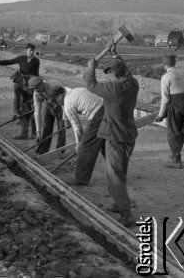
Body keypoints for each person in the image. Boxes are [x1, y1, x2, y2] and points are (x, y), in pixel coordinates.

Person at [84, 40, 139, 227]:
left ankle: (126, 214)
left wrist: (91, 68)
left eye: (109, 75)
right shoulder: (132, 84)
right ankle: (118, 203)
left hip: (115, 136)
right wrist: (115, 55)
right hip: (129, 135)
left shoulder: (114, 89)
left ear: (115, 75)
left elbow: (91, 85)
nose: (108, 79)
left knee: (113, 176)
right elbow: (128, 71)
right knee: (120, 171)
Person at [154, 54, 184, 169]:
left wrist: (160, 115)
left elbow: (165, 100)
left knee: (173, 131)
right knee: (182, 129)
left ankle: (176, 160)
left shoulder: (166, 77)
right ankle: (175, 154)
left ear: (164, 64)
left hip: (175, 103)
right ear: (174, 63)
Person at [63, 87, 105, 186]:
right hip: (106, 107)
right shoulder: (72, 92)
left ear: (58, 97)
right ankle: (118, 175)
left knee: (86, 147)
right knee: (105, 143)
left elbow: (77, 128)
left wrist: (79, 145)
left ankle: (81, 179)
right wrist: (65, 119)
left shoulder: (67, 105)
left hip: (97, 115)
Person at [0, 43, 40, 123]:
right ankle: (16, 114)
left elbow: (36, 73)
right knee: (16, 97)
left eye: (33, 51)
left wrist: (36, 84)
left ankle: (23, 116)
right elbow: (9, 61)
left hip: (29, 83)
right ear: (26, 50)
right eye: (30, 50)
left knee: (26, 99)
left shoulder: (36, 61)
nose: (31, 52)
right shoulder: (21, 58)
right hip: (19, 81)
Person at [28, 76, 66, 155]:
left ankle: (60, 150)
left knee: (61, 128)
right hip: (47, 105)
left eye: (37, 88)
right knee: (46, 127)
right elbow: (37, 111)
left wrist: (65, 111)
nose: (36, 90)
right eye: (34, 89)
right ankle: (43, 149)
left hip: (60, 105)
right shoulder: (36, 94)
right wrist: (38, 131)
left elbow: (65, 94)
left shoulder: (55, 85)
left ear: (41, 84)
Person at [10, 71, 36, 140]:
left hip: (35, 98)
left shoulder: (31, 79)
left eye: (16, 79)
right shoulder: (17, 85)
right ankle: (24, 134)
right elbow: (16, 98)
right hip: (25, 100)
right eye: (14, 80)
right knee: (22, 114)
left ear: (20, 76)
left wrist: (26, 89)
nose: (15, 81)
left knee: (33, 115)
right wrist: (16, 111)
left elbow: (36, 92)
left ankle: (34, 133)